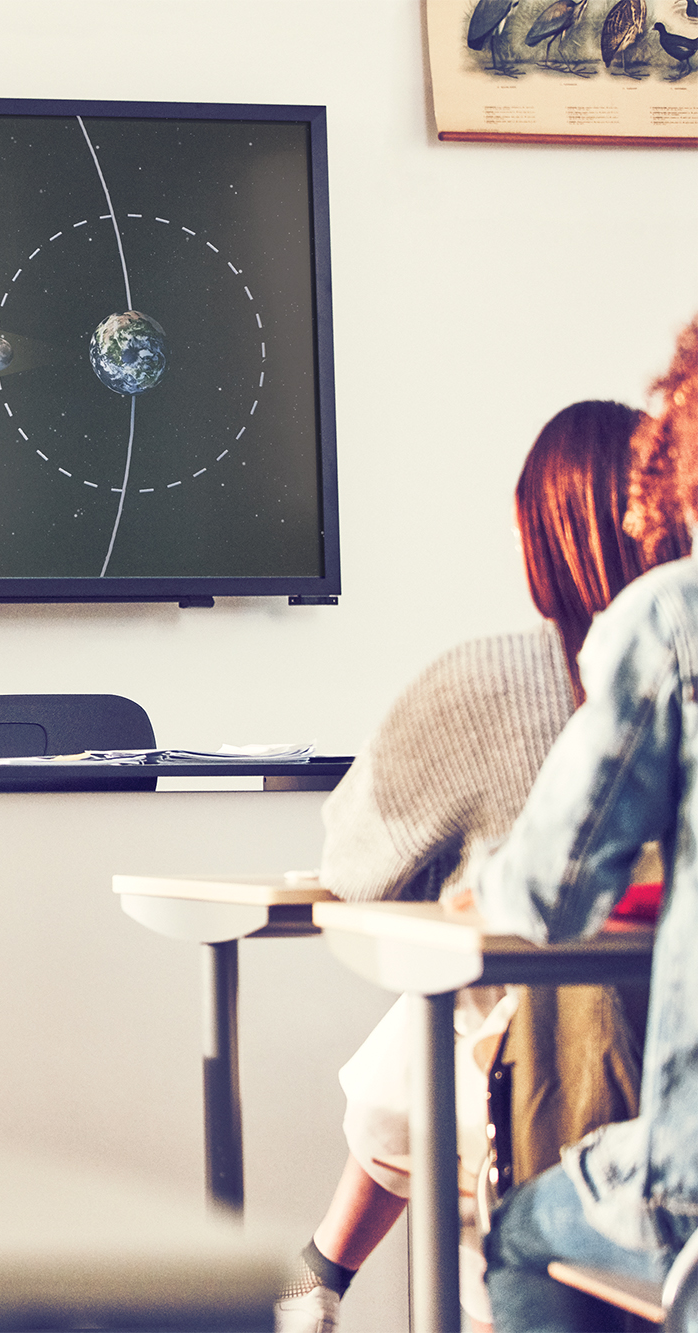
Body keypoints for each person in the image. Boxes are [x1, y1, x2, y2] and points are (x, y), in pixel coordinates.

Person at [276, 400, 678, 1333]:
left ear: (528, 532)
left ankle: (324, 1274)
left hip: (602, 1098)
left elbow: (360, 867)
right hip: (649, 1061)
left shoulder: (512, 681)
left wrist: (469, 878)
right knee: (442, 1039)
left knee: (446, 1050)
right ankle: (320, 1273)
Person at [477, 318, 698, 1331]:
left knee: (516, 1233)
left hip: (686, 1172)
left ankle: (317, 1278)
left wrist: (476, 880)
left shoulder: (669, 620)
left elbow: (547, 896)